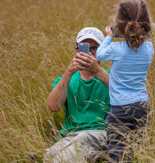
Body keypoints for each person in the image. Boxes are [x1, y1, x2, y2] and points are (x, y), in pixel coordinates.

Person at [96, 0, 154, 162]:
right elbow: (136, 45)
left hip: (120, 109)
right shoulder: (149, 49)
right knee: (138, 150)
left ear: (119, 25)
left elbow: (100, 54)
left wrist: (108, 36)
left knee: (118, 154)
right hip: (142, 105)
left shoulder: (115, 48)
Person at [44, 27, 110, 163]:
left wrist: (97, 71)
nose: (89, 54)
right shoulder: (65, 79)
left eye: (95, 48)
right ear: (76, 50)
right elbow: (53, 106)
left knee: (82, 140)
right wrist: (68, 73)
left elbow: (126, 95)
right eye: (85, 48)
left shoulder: (111, 77)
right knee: (51, 154)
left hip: (102, 134)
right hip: (70, 136)